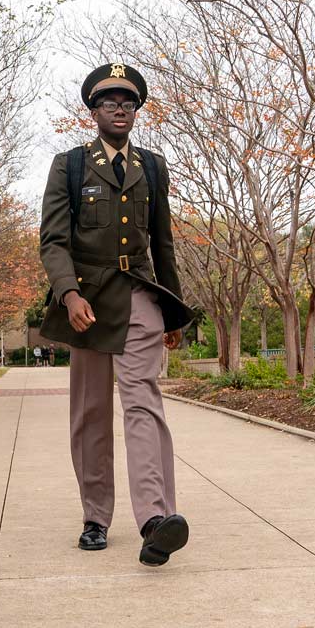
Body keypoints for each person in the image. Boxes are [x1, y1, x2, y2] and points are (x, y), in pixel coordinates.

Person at [37, 62, 196, 566]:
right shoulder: (71, 165)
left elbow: (163, 243)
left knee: (144, 402)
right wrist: (68, 295)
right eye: (109, 103)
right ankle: (95, 517)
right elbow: (53, 241)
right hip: (87, 303)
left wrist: (173, 312)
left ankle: (155, 518)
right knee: (91, 414)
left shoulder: (152, 166)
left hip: (141, 297)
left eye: (128, 103)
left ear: (137, 111)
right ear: (93, 111)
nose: (119, 110)